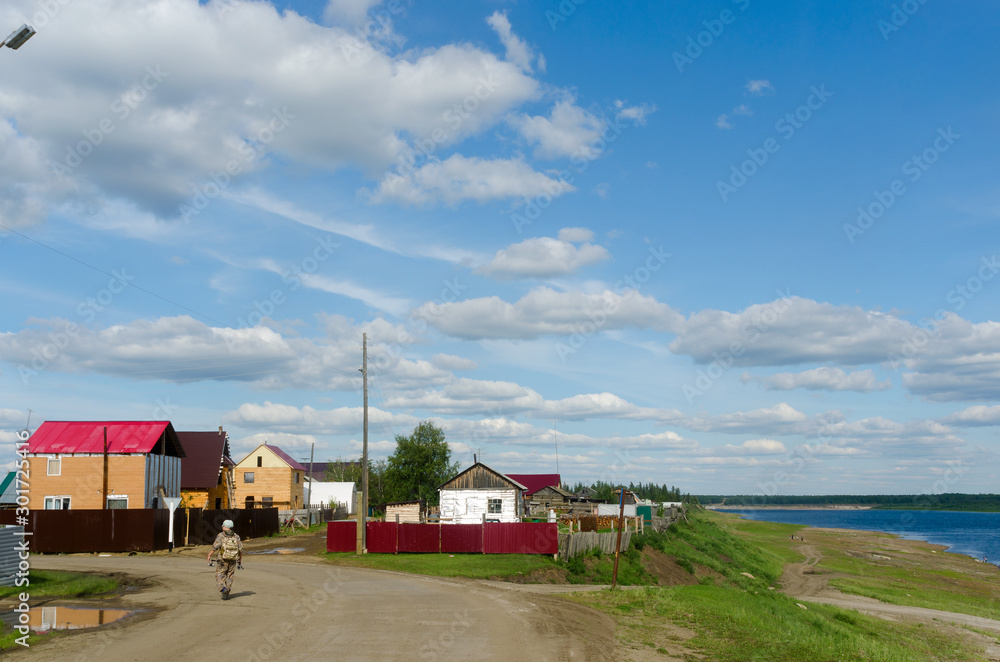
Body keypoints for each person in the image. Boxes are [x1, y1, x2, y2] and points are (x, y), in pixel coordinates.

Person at [207, 519, 243, 600]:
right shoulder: (236, 536)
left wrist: (209, 555)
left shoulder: (221, 535)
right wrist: (240, 560)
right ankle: (227, 590)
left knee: (219, 575)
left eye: (223, 526)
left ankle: (223, 589)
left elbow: (215, 547)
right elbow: (240, 550)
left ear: (226, 527)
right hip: (233, 560)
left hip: (222, 559)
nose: (222, 527)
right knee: (230, 576)